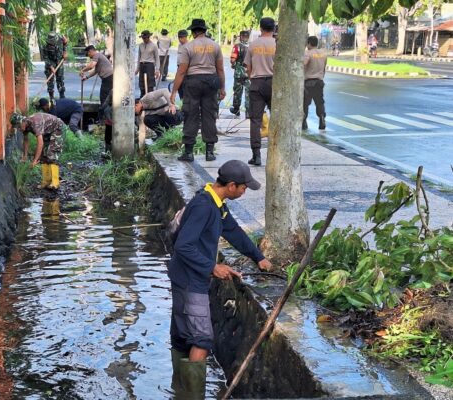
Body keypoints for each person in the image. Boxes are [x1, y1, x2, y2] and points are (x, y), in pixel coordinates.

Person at [168, 160, 271, 396]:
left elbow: (233, 230)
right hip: (190, 282)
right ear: (232, 185)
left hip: (185, 277)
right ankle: (191, 395)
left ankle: (180, 392)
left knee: (184, 338)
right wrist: (212, 267)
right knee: (202, 340)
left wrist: (258, 257)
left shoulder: (215, 203)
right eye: (244, 187)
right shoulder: (205, 207)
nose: (246, 191)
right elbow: (184, 246)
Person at [169, 18, 225, 162]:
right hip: (211, 83)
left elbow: (181, 71)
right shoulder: (215, 46)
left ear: (193, 32)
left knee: (191, 115)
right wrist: (222, 88)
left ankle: (188, 153)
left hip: (193, 82)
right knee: (209, 115)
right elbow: (220, 70)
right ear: (205, 31)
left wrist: (174, 91)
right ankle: (210, 152)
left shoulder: (188, 47)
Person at [245, 17, 276, 166]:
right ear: (274, 28)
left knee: (255, 120)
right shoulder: (278, 44)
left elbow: (248, 66)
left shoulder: (253, 45)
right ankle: (277, 153)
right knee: (276, 119)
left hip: (256, 83)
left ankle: (256, 155)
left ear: (261, 28)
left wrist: (253, 79)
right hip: (274, 83)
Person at [11, 112, 65, 190]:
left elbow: (40, 143)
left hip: (57, 128)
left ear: (23, 122)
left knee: (52, 154)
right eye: (17, 128)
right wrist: (25, 156)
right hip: (47, 131)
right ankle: (46, 181)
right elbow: (26, 141)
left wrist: (35, 160)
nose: (19, 129)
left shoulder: (35, 123)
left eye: (19, 126)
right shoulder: (24, 126)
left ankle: (55, 182)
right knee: (43, 155)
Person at [303, 36, 327, 131]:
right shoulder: (323, 54)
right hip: (319, 82)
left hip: (308, 82)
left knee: (305, 103)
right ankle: (322, 118)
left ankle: (304, 122)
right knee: (319, 102)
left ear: (309, 43)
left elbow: (303, 64)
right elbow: (324, 68)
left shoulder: (308, 53)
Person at [230, 30, 251, 118]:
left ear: (241, 36)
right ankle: (248, 112)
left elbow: (232, 59)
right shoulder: (252, 46)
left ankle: (236, 109)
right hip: (249, 72)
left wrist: (234, 66)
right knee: (249, 93)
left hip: (239, 73)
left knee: (237, 92)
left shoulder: (237, 47)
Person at [42, 32, 68, 102]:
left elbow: (65, 44)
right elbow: (45, 58)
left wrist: (65, 52)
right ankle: (51, 98)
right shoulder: (45, 46)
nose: (51, 43)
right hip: (50, 63)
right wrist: (51, 67)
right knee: (50, 81)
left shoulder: (60, 40)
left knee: (60, 79)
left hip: (59, 62)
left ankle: (62, 96)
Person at [136, 30, 160, 96]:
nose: (144, 39)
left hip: (150, 65)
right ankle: (142, 98)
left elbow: (157, 58)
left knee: (150, 84)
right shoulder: (140, 45)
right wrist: (137, 68)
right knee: (141, 83)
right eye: (143, 38)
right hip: (142, 64)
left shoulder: (154, 46)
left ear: (148, 37)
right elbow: (139, 57)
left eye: (145, 38)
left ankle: (150, 98)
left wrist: (157, 70)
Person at [174, 30, 190, 100]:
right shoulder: (180, 45)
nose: (180, 39)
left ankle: (186, 103)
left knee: (185, 87)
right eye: (179, 37)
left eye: (181, 37)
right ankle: (182, 101)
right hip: (179, 67)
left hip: (186, 69)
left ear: (186, 37)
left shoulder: (189, 46)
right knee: (179, 86)